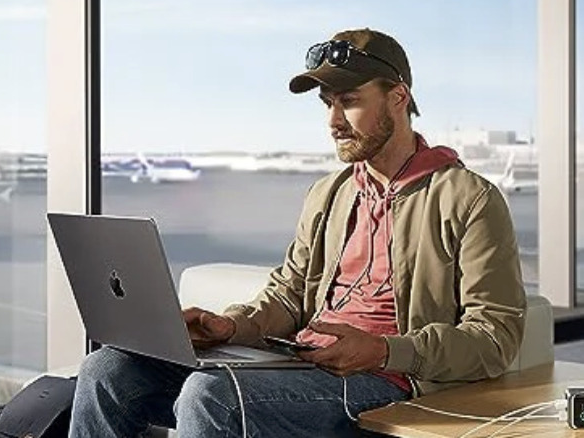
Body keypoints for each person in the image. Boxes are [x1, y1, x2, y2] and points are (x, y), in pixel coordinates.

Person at [68, 28, 526, 437]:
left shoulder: (469, 199)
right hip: (302, 363)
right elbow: (289, 294)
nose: (333, 122)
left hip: (388, 381)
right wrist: (232, 325)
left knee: (212, 396)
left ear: (398, 97)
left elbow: (495, 338)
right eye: (328, 104)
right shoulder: (331, 193)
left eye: (349, 101)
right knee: (107, 369)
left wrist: (386, 351)